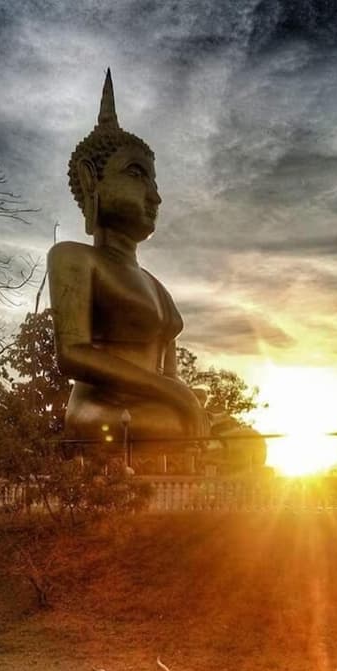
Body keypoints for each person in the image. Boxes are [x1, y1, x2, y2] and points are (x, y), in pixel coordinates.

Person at [48, 69, 210, 448]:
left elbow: (169, 373)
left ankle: (189, 440)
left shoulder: (156, 284)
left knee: (221, 426)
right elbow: (72, 354)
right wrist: (178, 398)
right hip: (100, 411)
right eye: (137, 175)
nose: (154, 196)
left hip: (154, 406)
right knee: (172, 423)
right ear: (92, 181)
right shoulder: (74, 258)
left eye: (154, 181)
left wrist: (185, 395)